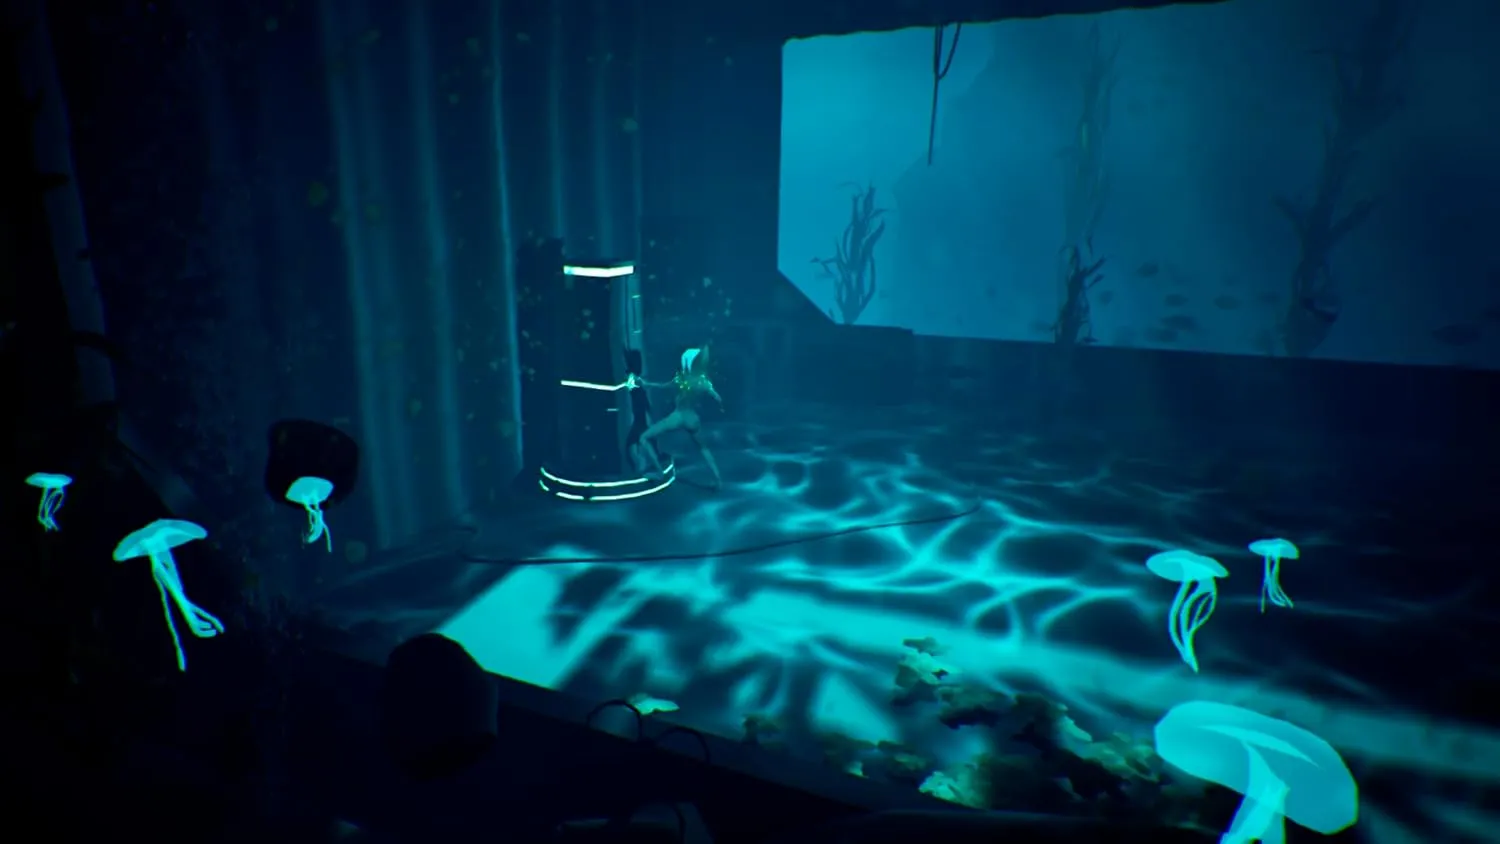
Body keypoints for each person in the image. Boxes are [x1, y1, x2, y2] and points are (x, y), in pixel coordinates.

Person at [628, 345, 723, 489]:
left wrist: (644, 383)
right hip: (693, 419)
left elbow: (662, 386)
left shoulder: (681, 378)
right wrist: (720, 406)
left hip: (678, 416)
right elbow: (717, 397)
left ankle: (659, 473)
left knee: (643, 438)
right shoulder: (703, 381)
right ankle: (718, 480)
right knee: (703, 448)